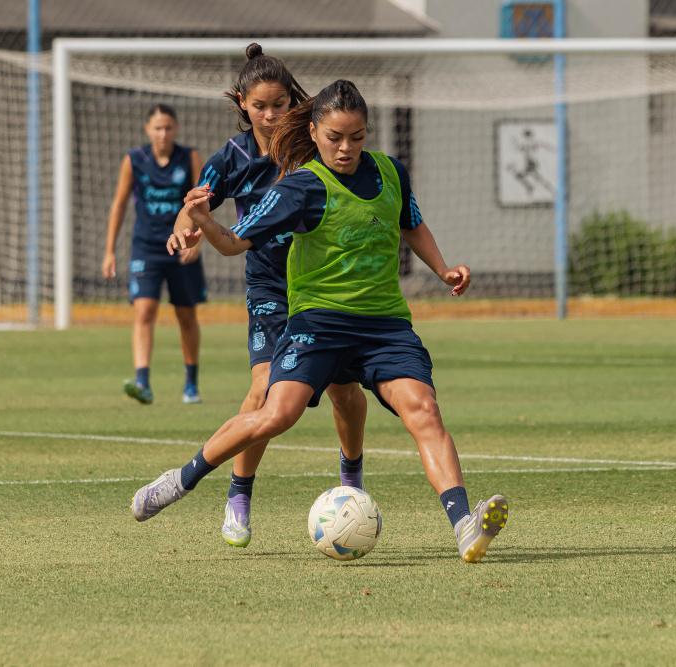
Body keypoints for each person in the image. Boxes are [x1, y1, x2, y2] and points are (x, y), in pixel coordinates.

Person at [138, 79, 508, 563]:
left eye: (357, 136)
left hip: (384, 326)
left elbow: (411, 223)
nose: (346, 148)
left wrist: (442, 269)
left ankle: (464, 524)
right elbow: (231, 243)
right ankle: (181, 480)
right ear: (313, 132)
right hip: (319, 324)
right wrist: (202, 221)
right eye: (335, 137)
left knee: (424, 409)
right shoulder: (300, 188)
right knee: (277, 413)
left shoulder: (390, 171)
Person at [166, 44, 368, 548]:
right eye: (260, 106)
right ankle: (239, 494)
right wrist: (181, 231)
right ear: (242, 104)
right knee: (262, 393)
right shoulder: (232, 157)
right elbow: (196, 204)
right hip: (270, 289)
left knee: (346, 394)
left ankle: (352, 480)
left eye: (280, 103)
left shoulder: (311, 143)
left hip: (323, 286)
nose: (272, 114)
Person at [102, 104, 206, 405]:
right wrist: (109, 251)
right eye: (157, 128)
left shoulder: (189, 157)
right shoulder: (135, 160)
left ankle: (190, 385)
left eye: (168, 127)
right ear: (148, 129)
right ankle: (142, 381)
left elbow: (203, 203)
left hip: (181, 246)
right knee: (144, 311)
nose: (163, 133)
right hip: (146, 248)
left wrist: (197, 242)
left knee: (186, 314)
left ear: (176, 129)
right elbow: (119, 205)